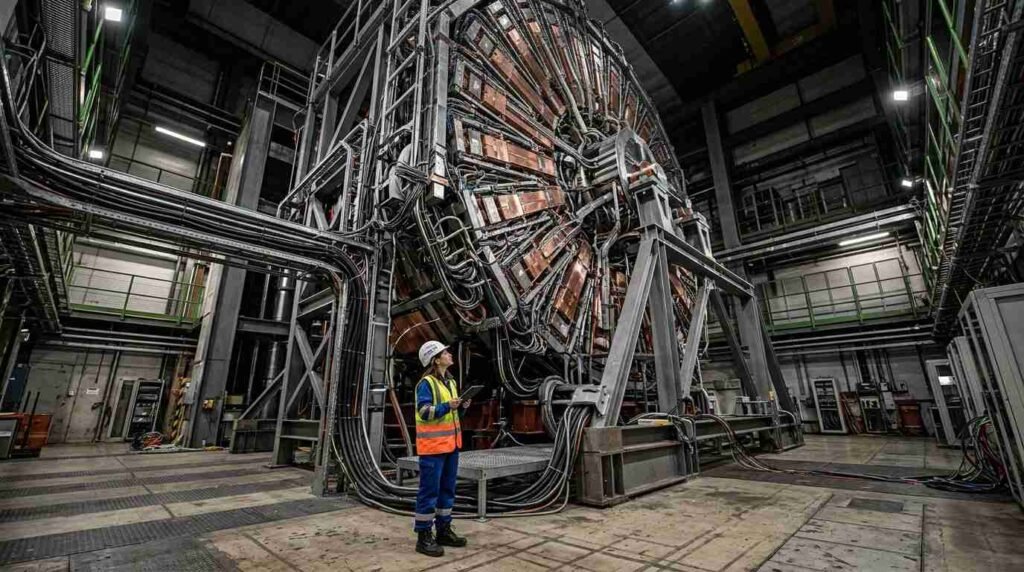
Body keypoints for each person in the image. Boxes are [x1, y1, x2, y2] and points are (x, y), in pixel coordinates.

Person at [413, 340, 471, 557]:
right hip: (432, 449)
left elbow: (451, 415)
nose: (449, 354)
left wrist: (461, 407)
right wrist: (448, 406)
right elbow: (424, 412)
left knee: (447, 491)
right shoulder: (426, 383)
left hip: (450, 446)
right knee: (429, 492)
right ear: (436, 360)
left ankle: (443, 530)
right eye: (445, 353)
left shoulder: (451, 382)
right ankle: (423, 536)